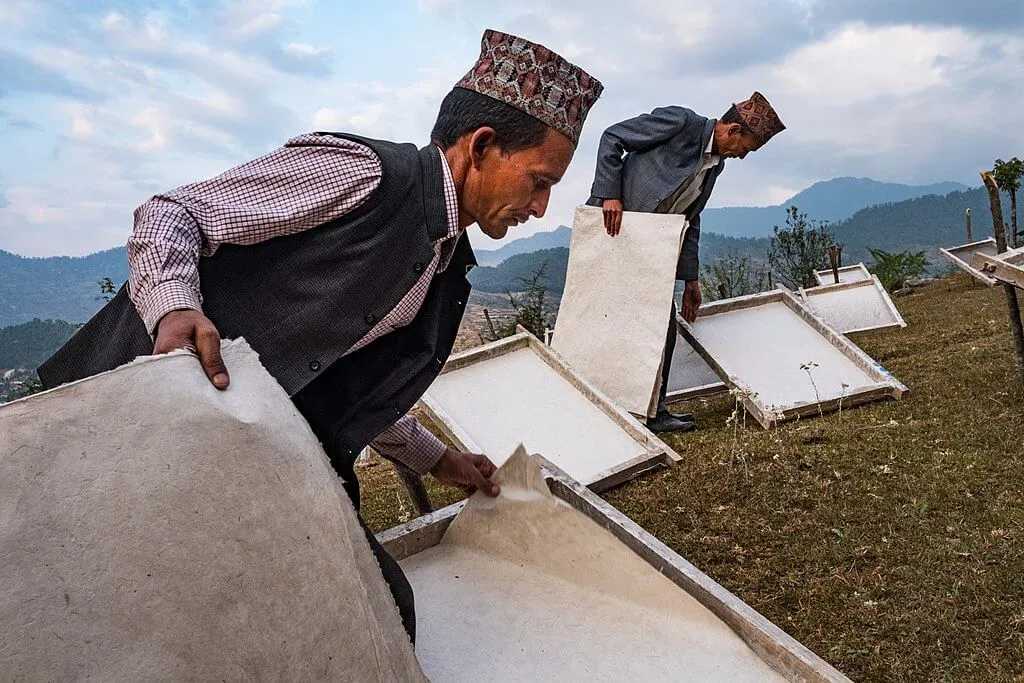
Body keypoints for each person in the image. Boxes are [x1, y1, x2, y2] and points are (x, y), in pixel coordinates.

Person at [39, 29, 603, 642]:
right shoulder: (363, 174)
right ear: (482, 146)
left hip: (252, 457)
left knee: (379, 610)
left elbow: (344, 386)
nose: (541, 209)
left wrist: (442, 461)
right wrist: (174, 308)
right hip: (133, 430)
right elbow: (174, 214)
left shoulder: (444, 263)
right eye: (539, 181)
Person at [585, 92, 784, 432]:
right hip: (614, 231)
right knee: (603, 321)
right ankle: (597, 408)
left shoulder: (715, 166)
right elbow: (613, 136)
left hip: (653, 248)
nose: (742, 156)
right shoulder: (681, 123)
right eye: (746, 149)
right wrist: (610, 194)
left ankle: (653, 411)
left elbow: (690, 219)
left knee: (662, 326)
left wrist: (690, 279)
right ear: (733, 130)